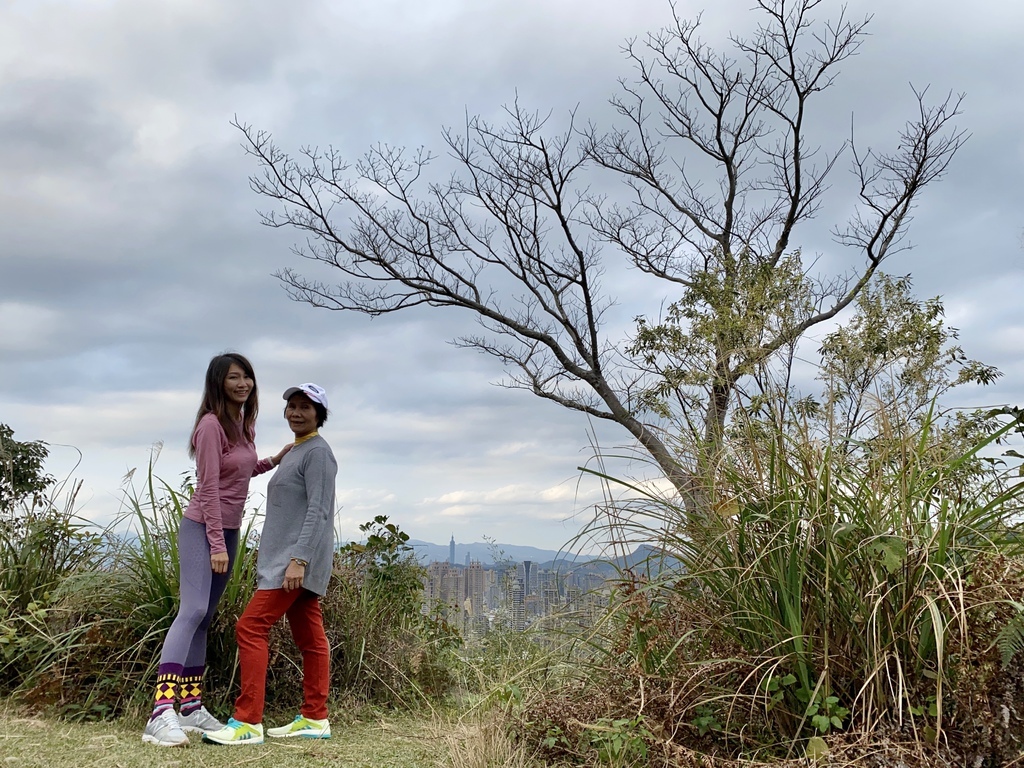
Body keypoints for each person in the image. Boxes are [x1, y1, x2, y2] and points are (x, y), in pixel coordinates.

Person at [142, 353, 292, 748]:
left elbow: (239, 470)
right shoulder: (210, 426)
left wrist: (273, 460)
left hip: (228, 531)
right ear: (218, 384)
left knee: (206, 617)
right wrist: (214, 544)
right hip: (202, 530)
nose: (243, 384)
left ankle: (190, 708)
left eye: (247, 377)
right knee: (191, 610)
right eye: (233, 378)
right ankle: (161, 713)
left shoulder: (242, 425)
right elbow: (208, 487)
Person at [204, 382, 337, 745]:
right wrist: (274, 460)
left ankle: (247, 722)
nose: (296, 412)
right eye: (291, 406)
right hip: (287, 562)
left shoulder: (318, 453)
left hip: (291, 564)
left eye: (305, 407)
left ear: (319, 415)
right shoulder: (297, 450)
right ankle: (314, 717)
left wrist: (299, 560)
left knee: (250, 627)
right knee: (311, 639)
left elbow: (319, 510)